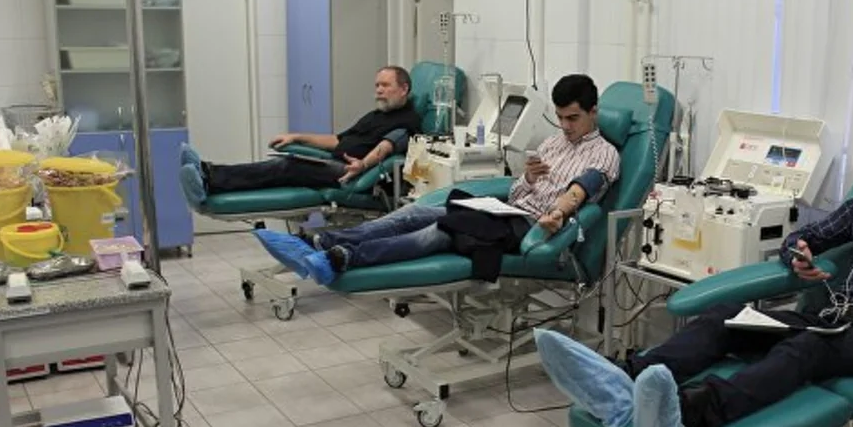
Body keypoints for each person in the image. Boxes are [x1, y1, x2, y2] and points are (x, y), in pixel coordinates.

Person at [535, 109, 853, 427]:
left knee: (807, 348)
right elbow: (806, 237)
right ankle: (622, 379)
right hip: (832, 321)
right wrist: (800, 255)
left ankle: (686, 413)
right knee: (728, 317)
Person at [253, 73, 620, 285]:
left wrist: (557, 213)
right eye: (561, 117)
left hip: (528, 230)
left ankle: (342, 258)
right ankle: (318, 241)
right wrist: (527, 178)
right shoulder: (554, 143)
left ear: (593, 112)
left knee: (438, 232)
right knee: (414, 213)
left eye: (573, 118)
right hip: (508, 212)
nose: (565, 125)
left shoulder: (604, 153)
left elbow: (583, 188)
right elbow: (517, 191)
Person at [178, 65, 421, 203]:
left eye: (385, 85)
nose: (378, 90)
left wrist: (363, 164)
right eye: (377, 85)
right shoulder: (376, 115)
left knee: (287, 168)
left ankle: (209, 179)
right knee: (285, 163)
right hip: (337, 162)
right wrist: (296, 137)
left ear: (404, 89)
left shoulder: (407, 120)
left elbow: (388, 145)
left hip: (354, 174)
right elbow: (337, 140)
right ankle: (206, 173)